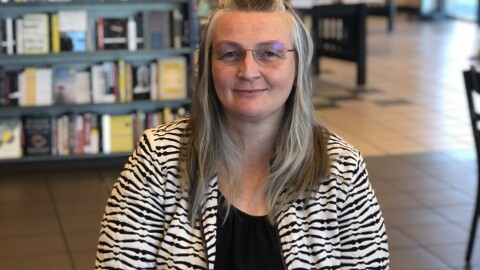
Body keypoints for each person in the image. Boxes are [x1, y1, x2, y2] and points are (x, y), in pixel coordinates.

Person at [95, 0, 389, 269]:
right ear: (208, 67)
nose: (248, 71)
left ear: (298, 65)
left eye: (270, 53)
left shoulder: (340, 169)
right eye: (230, 53)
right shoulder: (157, 159)